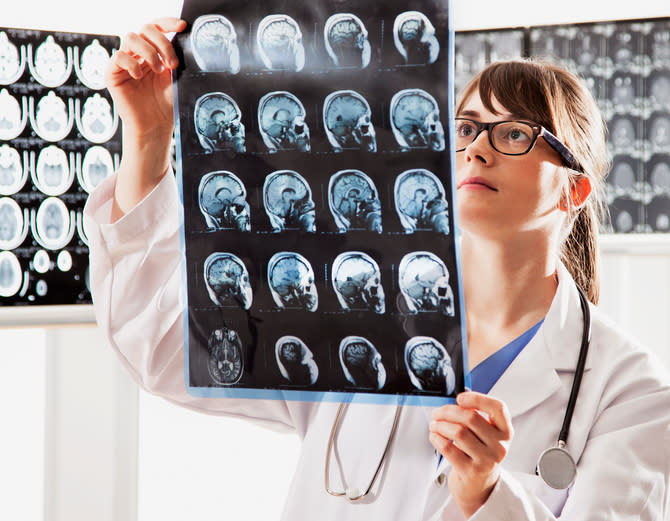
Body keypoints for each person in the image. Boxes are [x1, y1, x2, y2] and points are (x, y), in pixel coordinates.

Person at [84, 17, 670, 520]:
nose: (477, 149)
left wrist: (489, 496)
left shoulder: (630, 394)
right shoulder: (356, 307)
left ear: (575, 190)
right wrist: (150, 134)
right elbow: (165, 350)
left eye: (515, 133)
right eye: (466, 128)